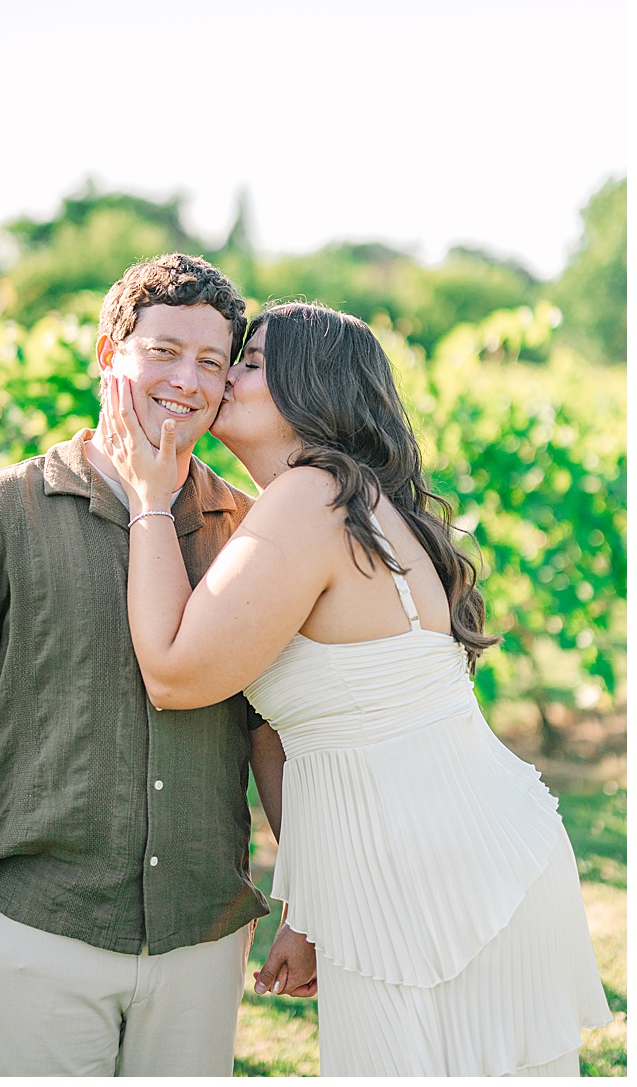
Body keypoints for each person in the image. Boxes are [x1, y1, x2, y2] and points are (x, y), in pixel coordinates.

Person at [101, 300, 612, 1076]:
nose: (221, 376)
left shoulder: (309, 498)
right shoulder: (353, 498)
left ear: (310, 387)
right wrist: (308, 913)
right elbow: (321, 745)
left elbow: (174, 671)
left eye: (248, 361)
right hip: (464, 865)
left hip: (436, 890)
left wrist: (148, 496)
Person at [0, 253, 315, 1077]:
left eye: (212, 362)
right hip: (29, 929)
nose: (188, 379)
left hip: (199, 940)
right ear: (108, 353)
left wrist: (306, 902)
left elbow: (272, 736)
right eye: (164, 350)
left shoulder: (247, 533)